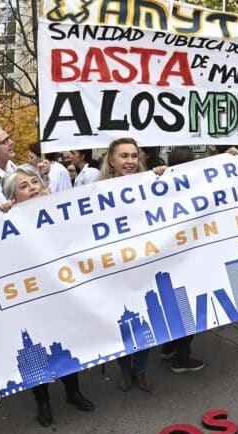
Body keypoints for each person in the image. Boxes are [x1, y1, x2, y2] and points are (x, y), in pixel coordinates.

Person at [0, 164, 95, 425]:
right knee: (35, 347)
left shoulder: (60, 207)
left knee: (64, 340)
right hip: (29, 295)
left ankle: (72, 390)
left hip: (61, 289)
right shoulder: (4, 221)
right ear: (12, 197)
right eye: (24, 186)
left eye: (34, 182)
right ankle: (42, 400)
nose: (32, 188)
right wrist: (2, 215)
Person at [98, 138, 156, 391]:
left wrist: (164, 180)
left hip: (144, 267)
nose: (130, 161)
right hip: (112, 271)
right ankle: (124, 369)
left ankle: (140, 370)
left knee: (146, 320)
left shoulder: (152, 183)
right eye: (124, 156)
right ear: (111, 159)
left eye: (134, 156)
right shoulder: (93, 191)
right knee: (120, 324)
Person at [159, 146, 205, 373]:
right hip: (186, 259)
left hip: (169, 260)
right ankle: (182, 358)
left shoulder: (160, 185)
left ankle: (169, 347)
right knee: (187, 309)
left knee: (173, 306)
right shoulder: (193, 186)